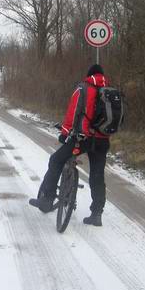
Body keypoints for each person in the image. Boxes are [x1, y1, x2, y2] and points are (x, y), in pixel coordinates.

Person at [29, 64, 110, 226]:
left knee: (56, 160)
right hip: (102, 141)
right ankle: (96, 214)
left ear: (89, 75)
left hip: (82, 139)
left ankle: (47, 199)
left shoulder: (83, 89)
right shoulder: (109, 91)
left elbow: (72, 114)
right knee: (97, 175)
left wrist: (65, 133)